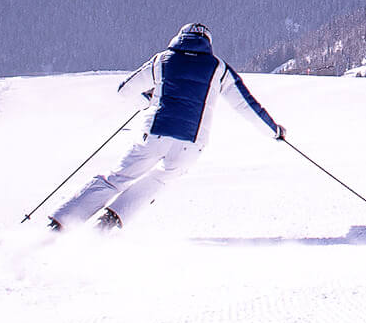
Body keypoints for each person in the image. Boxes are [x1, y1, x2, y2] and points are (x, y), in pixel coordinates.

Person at [50, 22, 286, 232]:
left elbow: (125, 90)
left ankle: (62, 222)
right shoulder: (218, 68)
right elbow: (247, 106)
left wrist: (147, 101)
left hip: (155, 134)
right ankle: (112, 220)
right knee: (161, 179)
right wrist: (273, 131)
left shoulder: (163, 60)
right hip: (191, 143)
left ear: (179, 37)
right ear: (208, 42)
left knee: (118, 177)